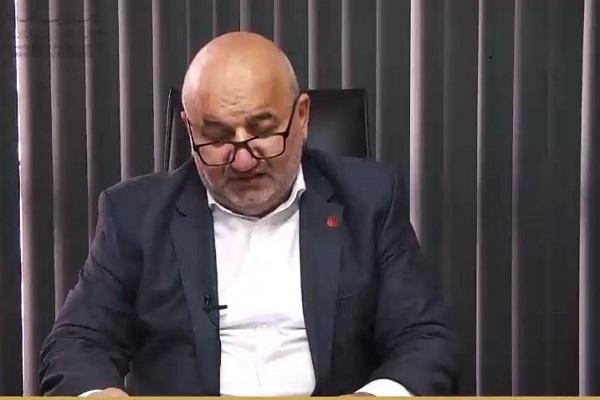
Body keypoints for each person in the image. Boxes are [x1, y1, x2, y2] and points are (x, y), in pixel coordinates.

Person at [39, 32, 459, 397]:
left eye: (262, 131)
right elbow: (78, 341)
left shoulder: (369, 201)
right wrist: (98, 394)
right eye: (218, 137)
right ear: (190, 130)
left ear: (302, 117)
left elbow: (424, 339)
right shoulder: (134, 215)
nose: (242, 161)